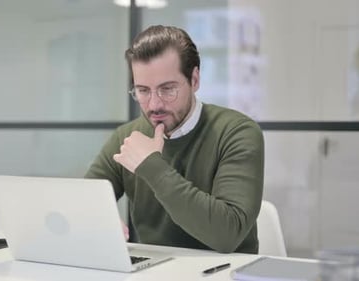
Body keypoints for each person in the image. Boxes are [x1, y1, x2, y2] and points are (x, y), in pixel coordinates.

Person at [85, 25, 264, 254]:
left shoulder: (237, 132)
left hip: (223, 271)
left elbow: (226, 235)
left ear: (195, 79)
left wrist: (152, 166)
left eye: (167, 89)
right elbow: (84, 198)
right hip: (154, 272)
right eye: (143, 90)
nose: (154, 105)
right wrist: (98, 219)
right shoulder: (127, 137)